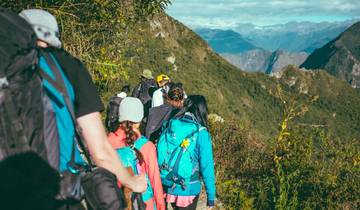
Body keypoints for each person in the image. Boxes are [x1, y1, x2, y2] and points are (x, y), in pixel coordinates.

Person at [18, 9, 146, 193]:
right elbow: (100, 152)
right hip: (54, 187)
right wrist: (132, 182)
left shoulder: (7, 68)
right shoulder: (68, 67)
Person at [157, 95, 216, 210]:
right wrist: (211, 196)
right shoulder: (201, 133)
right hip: (187, 187)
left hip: (166, 181)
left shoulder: (171, 123)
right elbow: (207, 166)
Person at [108, 97, 165, 210]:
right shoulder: (146, 146)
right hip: (142, 202)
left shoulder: (107, 142)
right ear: (139, 119)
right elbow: (155, 181)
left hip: (116, 202)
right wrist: (160, 206)